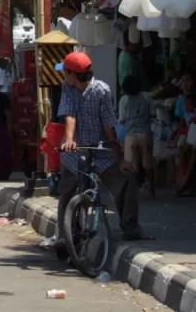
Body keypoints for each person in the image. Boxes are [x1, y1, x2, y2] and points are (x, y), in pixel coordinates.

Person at [55, 52, 149, 247]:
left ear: (74, 74)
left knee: (127, 180)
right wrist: (70, 139)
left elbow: (108, 125)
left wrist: (120, 157)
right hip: (75, 150)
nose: (64, 76)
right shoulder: (68, 87)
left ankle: (130, 228)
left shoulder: (102, 90)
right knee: (68, 191)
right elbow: (70, 114)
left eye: (66, 72)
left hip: (101, 149)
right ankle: (66, 239)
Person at [119, 75, 156, 200]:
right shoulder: (147, 96)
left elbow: (122, 120)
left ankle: (132, 192)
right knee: (148, 163)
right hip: (146, 133)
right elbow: (152, 114)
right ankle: (151, 191)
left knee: (131, 165)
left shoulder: (124, 100)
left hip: (131, 135)